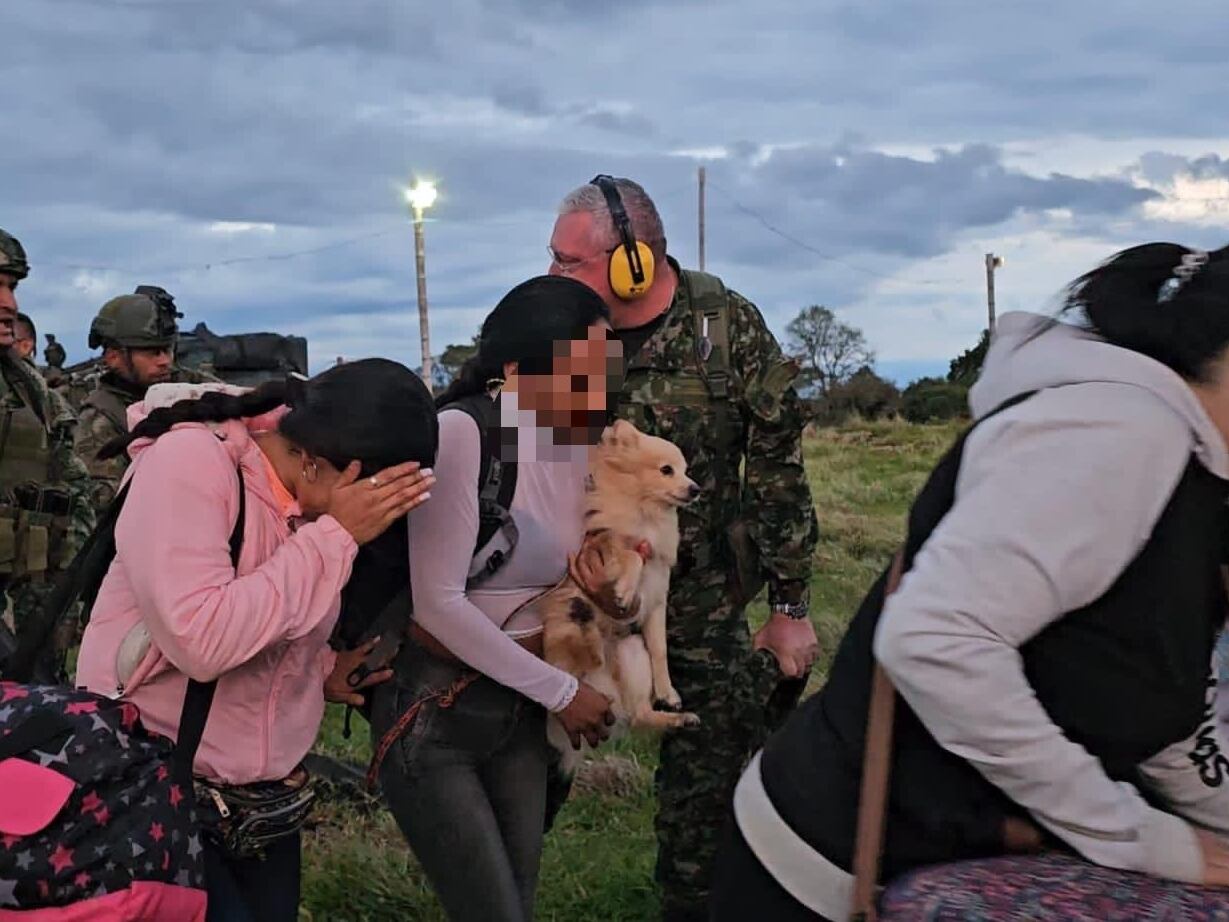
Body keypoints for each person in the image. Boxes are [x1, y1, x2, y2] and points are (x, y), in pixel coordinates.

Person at [712, 243, 1229, 921]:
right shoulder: (1114, 432)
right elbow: (933, 640)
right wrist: (1141, 838)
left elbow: (1159, 692)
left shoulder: (1187, 467)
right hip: (833, 871)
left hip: (951, 867)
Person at [75, 359, 437, 922]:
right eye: (381, 498)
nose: (377, 522)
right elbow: (201, 639)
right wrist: (336, 537)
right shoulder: (189, 464)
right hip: (157, 784)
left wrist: (319, 669)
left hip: (259, 803)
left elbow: (271, 613)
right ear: (332, 466)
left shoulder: (307, 502)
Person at [545, 176, 819, 920]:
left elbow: (775, 471)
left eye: (569, 261)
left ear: (634, 260)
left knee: (710, 796)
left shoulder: (724, 327)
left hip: (695, 600)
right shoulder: (558, 329)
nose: (553, 275)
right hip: (568, 594)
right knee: (527, 776)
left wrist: (788, 606)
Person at [370, 276, 622, 922]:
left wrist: (603, 600)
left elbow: (569, 581)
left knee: (517, 906)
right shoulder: (462, 435)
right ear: (514, 367)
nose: (597, 389)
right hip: (435, 714)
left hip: (519, 718)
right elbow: (437, 604)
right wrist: (563, 693)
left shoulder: (575, 445)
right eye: (581, 369)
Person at [0, 228, 95, 681]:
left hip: (30, 605)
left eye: (12, 288)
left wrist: (67, 602)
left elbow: (70, 494)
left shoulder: (30, 388)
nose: (9, 306)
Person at [73, 286, 220, 513]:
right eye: (152, 352)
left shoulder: (194, 386)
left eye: (167, 349)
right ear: (114, 357)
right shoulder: (101, 417)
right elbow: (105, 500)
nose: (164, 361)